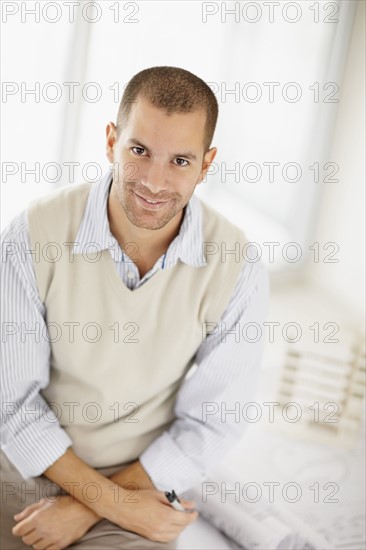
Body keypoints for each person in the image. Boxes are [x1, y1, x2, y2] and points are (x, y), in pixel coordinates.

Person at [0, 66, 269, 549]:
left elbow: (213, 420)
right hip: (19, 462)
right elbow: (11, 403)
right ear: (111, 142)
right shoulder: (32, 233)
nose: (154, 181)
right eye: (139, 151)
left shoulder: (238, 266)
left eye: (180, 161)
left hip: (140, 477)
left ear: (207, 165)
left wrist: (94, 506)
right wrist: (107, 501)